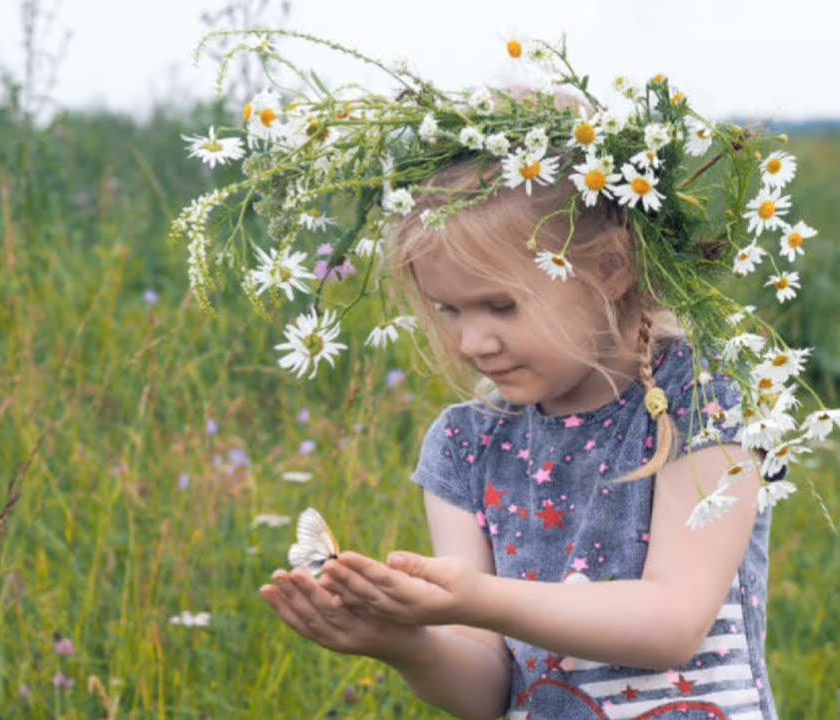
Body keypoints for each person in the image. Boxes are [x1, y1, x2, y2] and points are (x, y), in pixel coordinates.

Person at [259, 131, 790, 718]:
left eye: (501, 306)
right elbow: (487, 691)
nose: (471, 342)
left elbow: (673, 622)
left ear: (611, 267)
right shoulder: (468, 444)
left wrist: (476, 599)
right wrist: (407, 644)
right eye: (449, 310)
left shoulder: (704, 397)